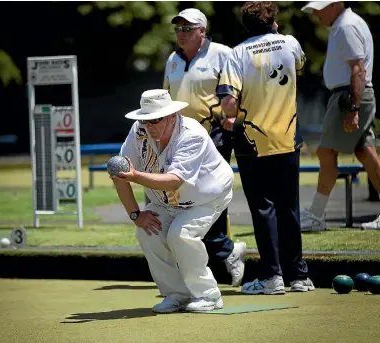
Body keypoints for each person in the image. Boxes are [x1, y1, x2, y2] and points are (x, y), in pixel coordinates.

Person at [216, 1, 314, 295]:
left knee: (263, 210)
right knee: (289, 208)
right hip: (287, 138)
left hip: (252, 142)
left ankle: (273, 277)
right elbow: (299, 66)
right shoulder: (290, 43)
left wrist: (228, 117)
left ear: (246, 25)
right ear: (273, 21)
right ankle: (299, 277)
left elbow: (229, 103)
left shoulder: (238, 52)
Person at [111, 89, 234, 313]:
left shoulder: (191, 134)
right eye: (145, 120)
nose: (150, 126)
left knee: (181, 234)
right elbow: (121, 175)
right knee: (147, 232)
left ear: (170, 116)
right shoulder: (139, 130)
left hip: (207, 196)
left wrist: (136, 176)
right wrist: (136, 215)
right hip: (166, 200)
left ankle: (209, 295)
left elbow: (174, 181)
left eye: (155, 120)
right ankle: (176, 294)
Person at [300, 1, 380, 231]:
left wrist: (353, 109)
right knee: (365, 151)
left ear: (335, 5)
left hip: (347, 97)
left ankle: (316, 215)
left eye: (319, 8)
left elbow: (358, 69)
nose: (316, 14)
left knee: (325, 151)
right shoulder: (348, 23)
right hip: (352, 96)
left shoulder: (345, 26)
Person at [163, 8, 246, 287]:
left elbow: (238, 90)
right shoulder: (172, 60)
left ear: (202, 31)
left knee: (210, 195)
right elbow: (165, 99)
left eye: (187, 29)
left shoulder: (222, 53)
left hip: (213, 136)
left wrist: (233, 117)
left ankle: (222, 251)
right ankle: (223, 251)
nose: (181, 34)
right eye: (178, 29)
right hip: (180, 139)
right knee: (187, 197)